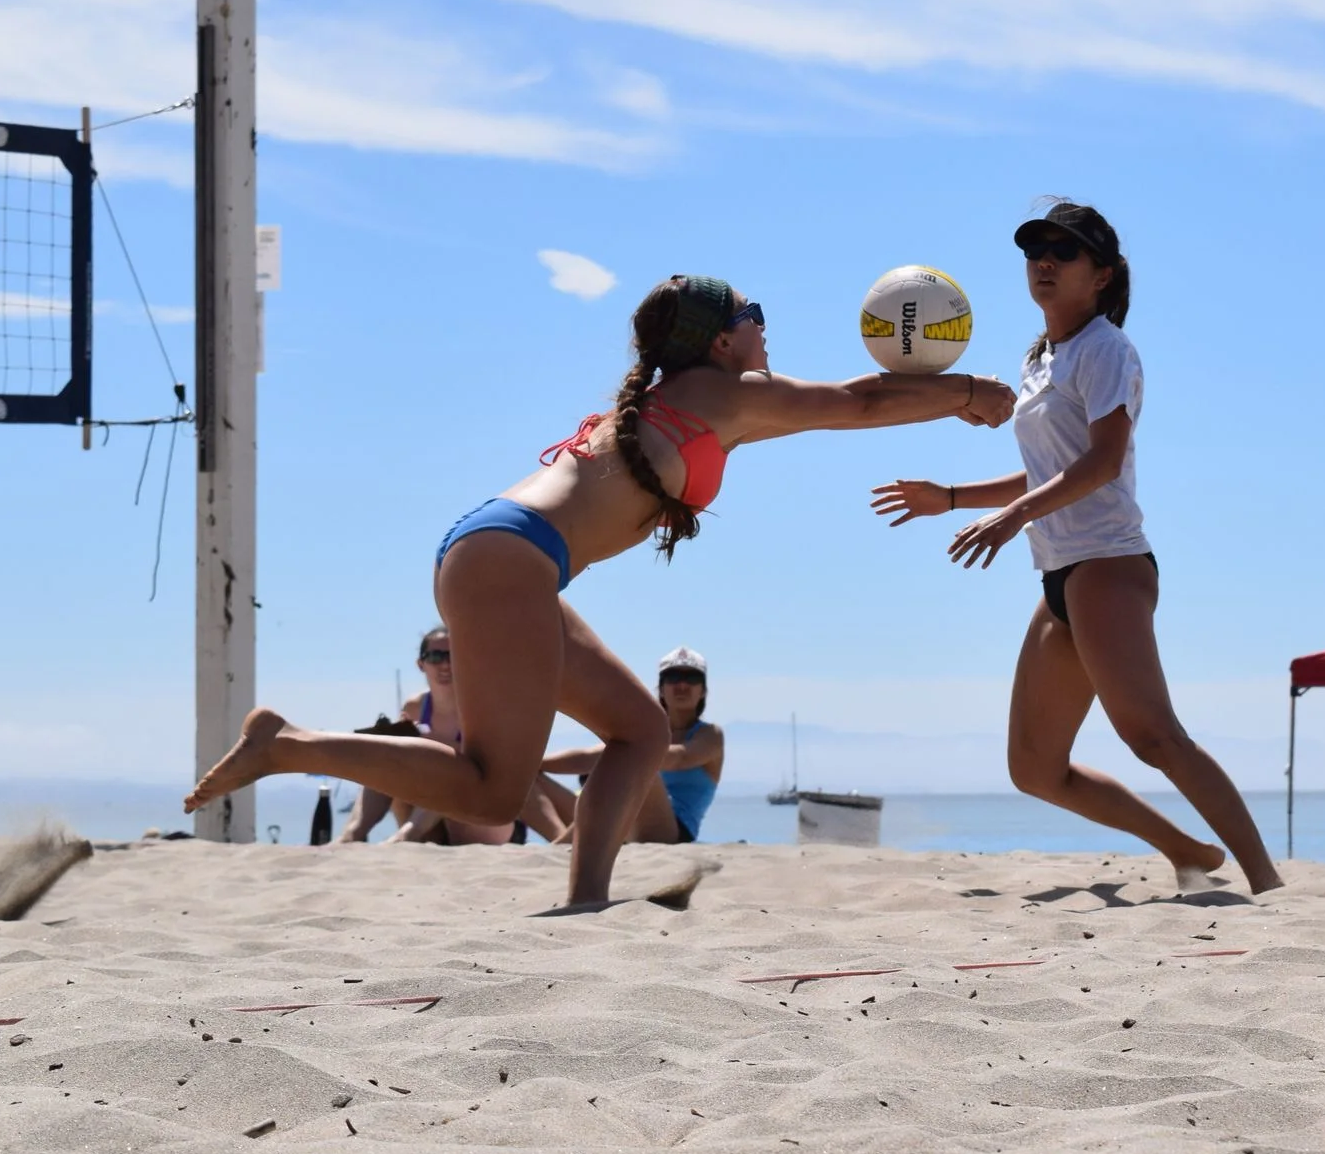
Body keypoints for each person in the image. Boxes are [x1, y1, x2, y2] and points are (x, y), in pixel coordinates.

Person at [190, 274, 1014, 907]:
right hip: (510, 559)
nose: (765, 324)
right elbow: (859, 401)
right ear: (720, 340)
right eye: (750, 312)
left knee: (639, 731)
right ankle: (288, 744)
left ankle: (587, 899)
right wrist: (968, 394)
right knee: (491, 787)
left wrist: (948, 398)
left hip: (508, 555)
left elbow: (847, 404)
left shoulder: (696, 396)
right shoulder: (721, 392)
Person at [871, 201, 1283, 895]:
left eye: (1065, 252)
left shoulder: (1106, 348)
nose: (1045, 262)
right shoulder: (1041, 357)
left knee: (1154, 737)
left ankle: (1267, 882)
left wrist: (1011, 519)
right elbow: (1048, 467)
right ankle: (1183, 848)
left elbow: (1100, 463)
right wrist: (947, 495)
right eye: (1037, 250)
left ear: (1104, 275)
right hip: (1060, 572)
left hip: (1108, 565)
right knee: (1034, 769)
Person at [336, 627, 568, 845]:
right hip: (433, 825)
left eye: (452, 655)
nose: (445, 664)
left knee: (449, 769)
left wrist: (428, 740)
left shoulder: (481, 707)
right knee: (386, 758)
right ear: (421, 664)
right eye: (435, 657)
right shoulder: (416, 706)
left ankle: (403, 838)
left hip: (484, 824)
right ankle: (352, 835)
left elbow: (490, 765)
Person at [545, 646, 725, 844]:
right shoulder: (648, 733)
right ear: (661, 689)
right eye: (673, 677)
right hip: (623, 824)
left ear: (703, 691)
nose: (682, 685)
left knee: (640, 762)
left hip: (672, 832)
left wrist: (625, 750)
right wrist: (536, 764)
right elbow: (595, 754)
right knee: (528, 778)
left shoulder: (710, 736)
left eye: (692, 678)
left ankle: (560, 846)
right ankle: (557, 842)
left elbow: (679, 757)